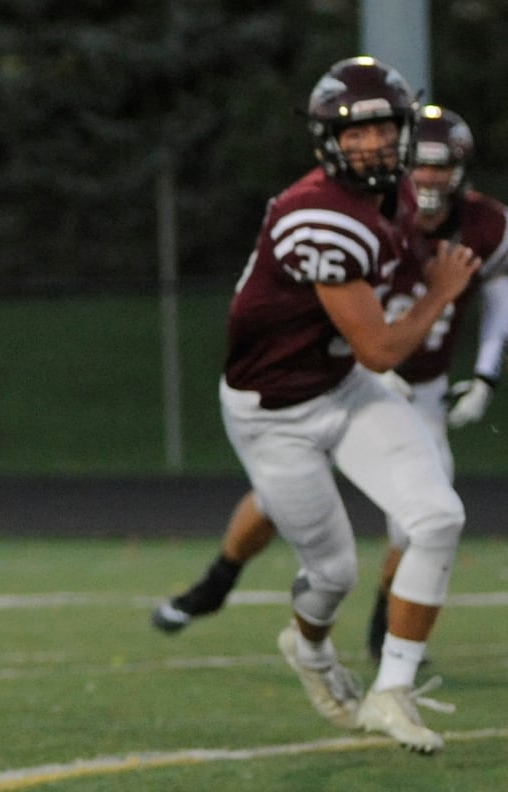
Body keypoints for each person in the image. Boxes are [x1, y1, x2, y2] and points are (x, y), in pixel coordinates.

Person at [153, 104, 508, 663]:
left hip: (421, 389)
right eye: (422, 165)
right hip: (352, 375)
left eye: (443, 167)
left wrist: (486, 371)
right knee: (281, 496)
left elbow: (499, 287)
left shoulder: (486, 224)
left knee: (427, 513)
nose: (430, 178)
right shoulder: (378, 212)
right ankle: (219, 577)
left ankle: (383, 624)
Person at [196, 57, 480, 754]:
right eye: (353, 134)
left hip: (342, 385)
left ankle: (390, 692)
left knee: (436, 516)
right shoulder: (315, 217)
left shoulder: (401, 198)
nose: (372, 145)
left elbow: (392, 281)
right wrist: (442, 294)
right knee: (332, 575)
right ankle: (311, 650)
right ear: (327, 142)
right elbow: (381, 349)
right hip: (275, 413)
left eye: (384, 127)